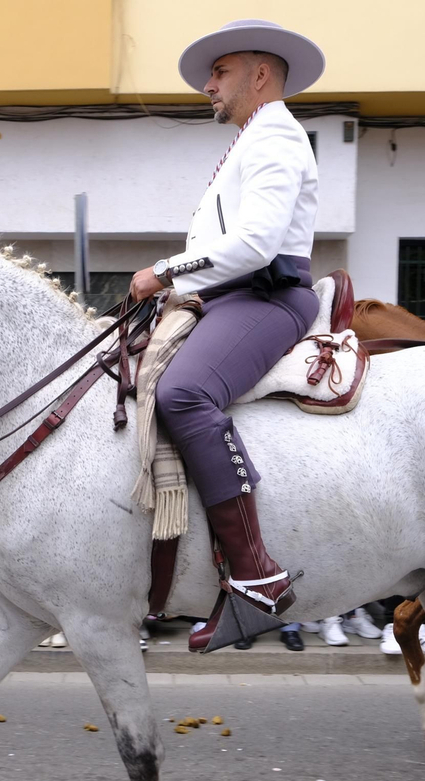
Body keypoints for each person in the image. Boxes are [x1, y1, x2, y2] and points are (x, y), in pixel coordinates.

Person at [128, 19, 327, 652]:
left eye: (220, 72)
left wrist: (161, 273)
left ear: (259, 75)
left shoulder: (274, 137)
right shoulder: (249, 142)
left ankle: (257, 576)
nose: (208, 86)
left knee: (183, 392)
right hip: (227, 298)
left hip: (267, 297)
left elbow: (253, 244)